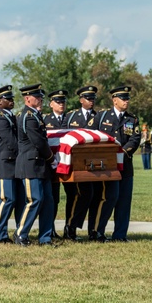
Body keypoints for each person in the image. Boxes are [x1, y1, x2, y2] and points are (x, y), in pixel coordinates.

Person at [94, 86, 140, 242]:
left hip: (125, 165)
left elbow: (135, 139)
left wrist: (123, 152)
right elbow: (93, 134)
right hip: (107, 166)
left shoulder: (132, 119)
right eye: (123, 98)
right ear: (114, 100)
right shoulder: (102, 116)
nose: (126, 101)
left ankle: (120, 235)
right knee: (108, 198)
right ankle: (98, 232)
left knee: (124, 202)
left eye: (127, 99)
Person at [15, 84, 54, 246]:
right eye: (36, 97)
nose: (40, 99)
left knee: (48, 201)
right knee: (34, 200)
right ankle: (20, 234)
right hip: (30, 165)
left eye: (40, 97)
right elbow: (37, 141)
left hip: (40, 164)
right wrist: (51, 157)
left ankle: (45, 237)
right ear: (27, 98)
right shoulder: (28, 116)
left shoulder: (36, 115)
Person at [64, 85, 97, 241]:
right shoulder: (71, 117)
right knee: (78, 195)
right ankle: (70, 227)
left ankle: (73, 227)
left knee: (87, 195)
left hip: (92, 163)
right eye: (88, 99)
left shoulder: (98, 116)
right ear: (81, 100)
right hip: (73, 163)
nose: (91, 101)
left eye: (93, 99)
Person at [0, 85, 18, 244]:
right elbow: (12, 142)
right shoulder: (0, 119)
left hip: (11, 164)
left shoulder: (10, 117)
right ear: (0, 101)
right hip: (4, 164)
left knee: (10, 200)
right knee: (7, 199)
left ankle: (0, 234)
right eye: (8, 99)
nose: (12, 101)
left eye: (12, 98)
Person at [43, 89, 69, 239]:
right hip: (52, 164)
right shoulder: (45, 120)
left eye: (63, 102)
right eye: (58, 102)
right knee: (53, 197)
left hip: (67, 164)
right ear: (51, 104)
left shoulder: (70, 119)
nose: (61, 104)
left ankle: (69, 229)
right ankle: (50, 229)